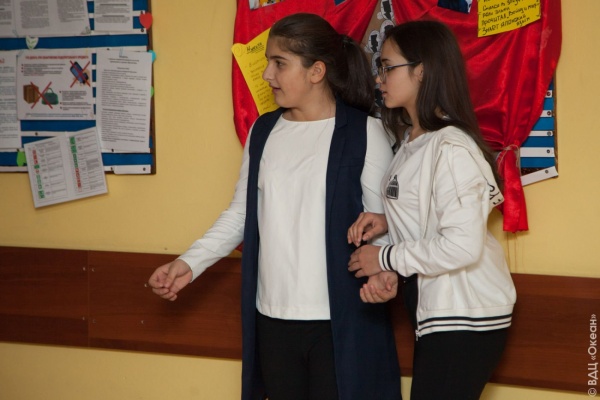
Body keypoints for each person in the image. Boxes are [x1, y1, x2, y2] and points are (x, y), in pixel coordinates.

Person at [148, 13, 402, 400]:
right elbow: (241, 214)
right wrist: (189, 263)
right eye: (268, 62)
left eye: (279, 63)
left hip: (343, 322)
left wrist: (385, 273)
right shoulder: (263, 131)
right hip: (272, 320)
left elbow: (384, 225)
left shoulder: (365, 133)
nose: (267, 75)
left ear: (316, 71)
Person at [347, 20, 517, 399]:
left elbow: (461, 246)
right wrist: (387, 224)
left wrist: (385, 258)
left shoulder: (451, 147)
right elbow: (430, 216)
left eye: (387, 67)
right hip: (438, 312)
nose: (379, 79)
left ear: (421, 70)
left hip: (467, 315)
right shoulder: (413, 140)